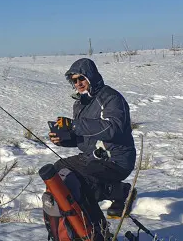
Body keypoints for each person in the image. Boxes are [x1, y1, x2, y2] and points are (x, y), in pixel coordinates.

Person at [48, 58, 137, 220]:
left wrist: (74, 125)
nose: (78, 83)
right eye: (74, 80)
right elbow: (84, 137)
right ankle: (71, 220)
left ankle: (121, 192)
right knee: (57, 172)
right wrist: (63, 139)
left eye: (82, 78)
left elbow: (113, 128)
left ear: (91, 77)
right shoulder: (80, 104)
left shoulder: (111, 98)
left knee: (81, 183)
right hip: (91, 157)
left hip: (116, 160)